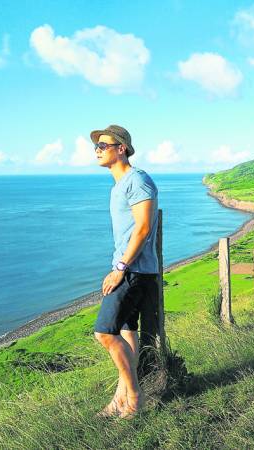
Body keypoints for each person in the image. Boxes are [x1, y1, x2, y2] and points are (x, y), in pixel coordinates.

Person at [91, 124, 159, 419]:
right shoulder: (119, 185)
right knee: (126, 332)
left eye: (103, 145)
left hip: (133, 270)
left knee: (103, 333)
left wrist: (120, 268)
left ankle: (134, 398)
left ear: (122, 148)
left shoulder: (137, 180)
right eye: (96, 146)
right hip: (129, 267)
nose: (97, 150)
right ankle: (120, 398)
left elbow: (143, 228)